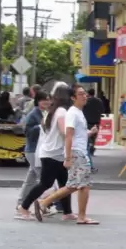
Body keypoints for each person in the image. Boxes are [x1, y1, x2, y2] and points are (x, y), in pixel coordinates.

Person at [36, 84, 99, 225]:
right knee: (80, 185)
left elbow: (78, 135)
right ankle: (45, 203)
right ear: (73, 97)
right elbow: (68, 135)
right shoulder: (72, 113)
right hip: (77, 153)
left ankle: (44, 202)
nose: (85, 96)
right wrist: (68, 157)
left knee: (77, 185)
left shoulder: (78, 112)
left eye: (85, 94)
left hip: (80, 151)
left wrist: (90, 133)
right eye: (81, 94)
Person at [18, 83, 76, 221]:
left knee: (64, 183)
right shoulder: (61, 111)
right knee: (45, 183)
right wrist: (73, 132)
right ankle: (24, 207)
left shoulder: (54, 110)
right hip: (53, 153)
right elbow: (63, 131)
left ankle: (67, 212)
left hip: (54, 152)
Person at [16, 90, 52, 215]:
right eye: (43, 100)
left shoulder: (46, 112)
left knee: (30, 180)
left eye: (48, 99)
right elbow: (27, 132)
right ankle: (42, 204)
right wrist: (40, 126)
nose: (46, 102)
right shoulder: (33, 114)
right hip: (33, 150)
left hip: (40, 150)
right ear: (38, 101)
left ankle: (20, 203)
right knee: (44, 180)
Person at [83, 88, 104, 157]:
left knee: (88, 134)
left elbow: (82, 109)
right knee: (94, 135)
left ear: (88, 93)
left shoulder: (86, 101)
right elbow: (102, 110)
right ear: (94, 93)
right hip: (96, 121)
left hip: (87, 120)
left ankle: (89, 146)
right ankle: (92, 146)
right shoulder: (99, 101)